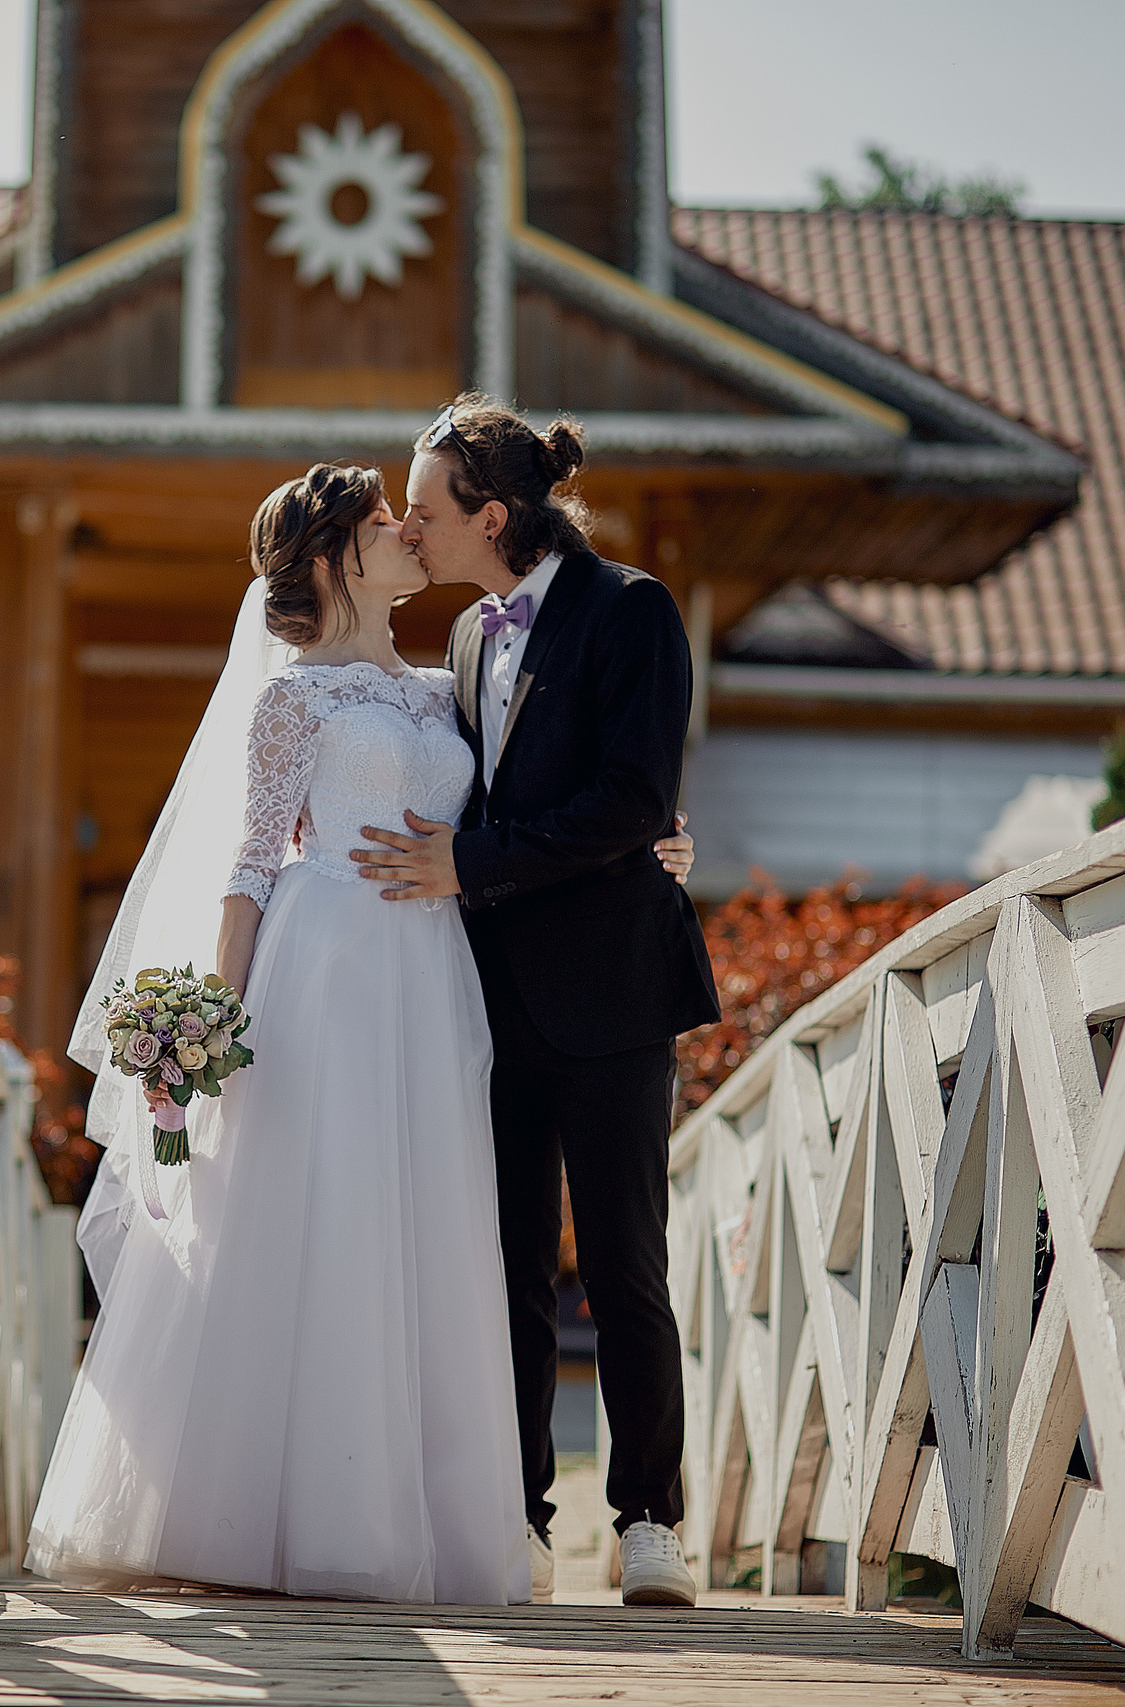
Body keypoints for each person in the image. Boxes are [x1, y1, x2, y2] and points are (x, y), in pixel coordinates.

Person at [27, 463, 692, 1604]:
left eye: (412, 514)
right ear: (336, 558)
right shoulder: (292, 700)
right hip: (323, 970)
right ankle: (278, 1511)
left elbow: (549, 789)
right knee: (315, 1219)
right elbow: (248, 864)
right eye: (386, 523)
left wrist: (655, 840)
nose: (408, 534)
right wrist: (211, 1024)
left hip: (436, 982)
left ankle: (447, 1515)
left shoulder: (446, 686)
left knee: (430, 1234)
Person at [354, 395, 721, 1607]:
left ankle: (649, 1521)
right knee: (506, 1270)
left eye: (423, 510)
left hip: (614, 993)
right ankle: (518, 1522)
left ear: (493, 519)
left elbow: (632, 797)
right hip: (491, 1000)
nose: (408, 528)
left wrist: (472, 864)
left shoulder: (632, 609)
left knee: (623, 1268)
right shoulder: (466, 637)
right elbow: (468, 797)